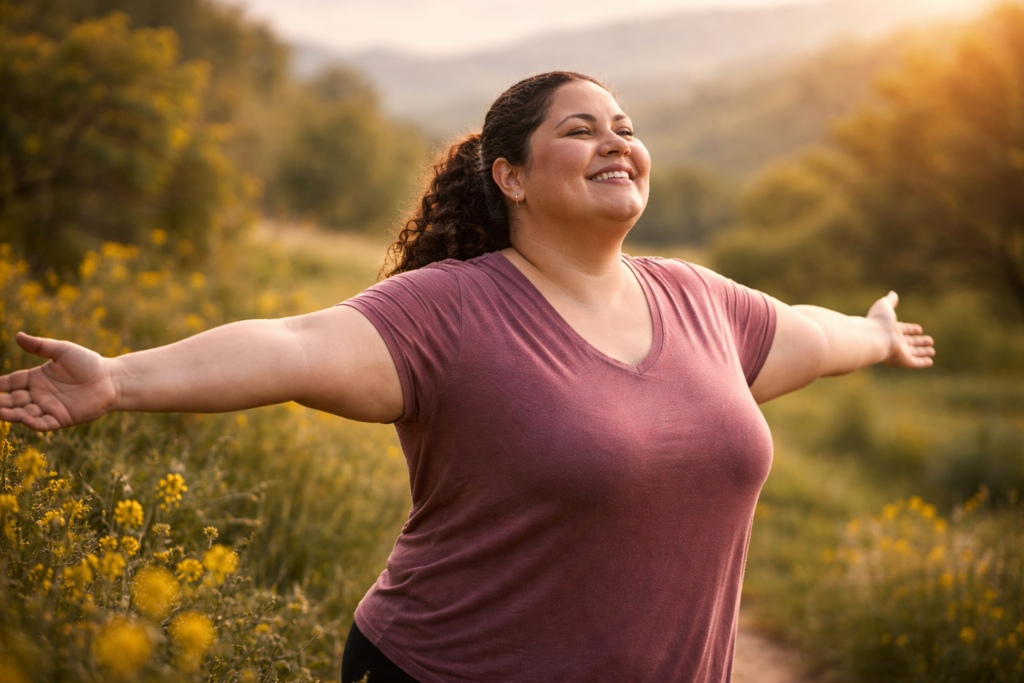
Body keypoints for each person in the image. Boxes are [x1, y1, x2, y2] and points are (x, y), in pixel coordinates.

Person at [0, 72, 934, 683]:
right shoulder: (451, 309)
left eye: (626, 128)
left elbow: (811, 333)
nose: (617, 141)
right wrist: (118, 379)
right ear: (512, 178)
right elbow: (289, 346)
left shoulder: (702, 301)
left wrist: (876, 332)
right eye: (581, 130)